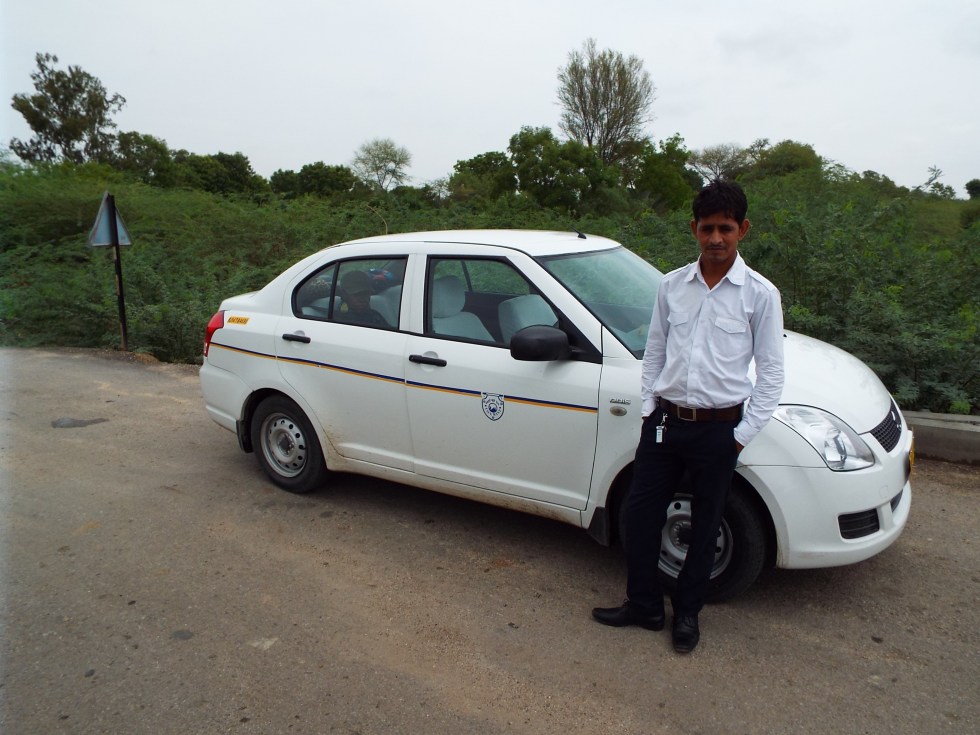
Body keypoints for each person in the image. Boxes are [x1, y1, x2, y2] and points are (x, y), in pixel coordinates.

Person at [592, 179, 785, 654]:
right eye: (707, 229)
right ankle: (644, 606)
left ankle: (688, 615)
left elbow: (772, 375)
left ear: (743, 229)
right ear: (694, 229)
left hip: (721, 431)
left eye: (725, 229)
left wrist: (739, 438)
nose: (715, 238)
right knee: (638, 516)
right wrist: (648, 408)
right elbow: (654, 351)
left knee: (704, 525)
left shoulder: (759, 295)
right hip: (664, 424)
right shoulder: (672, 285)